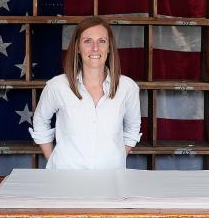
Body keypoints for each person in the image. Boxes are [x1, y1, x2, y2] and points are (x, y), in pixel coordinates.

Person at [30, 16, 141, 169]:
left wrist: (116, 157)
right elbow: (40, 121)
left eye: (102, 41)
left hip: (111, 178)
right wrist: (53, 161)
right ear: (77, 47)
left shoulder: (127, 87)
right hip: (66, 178)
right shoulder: (57, 86)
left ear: (109, 47)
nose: (95, 48)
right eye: (88, 41)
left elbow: (133, 127)